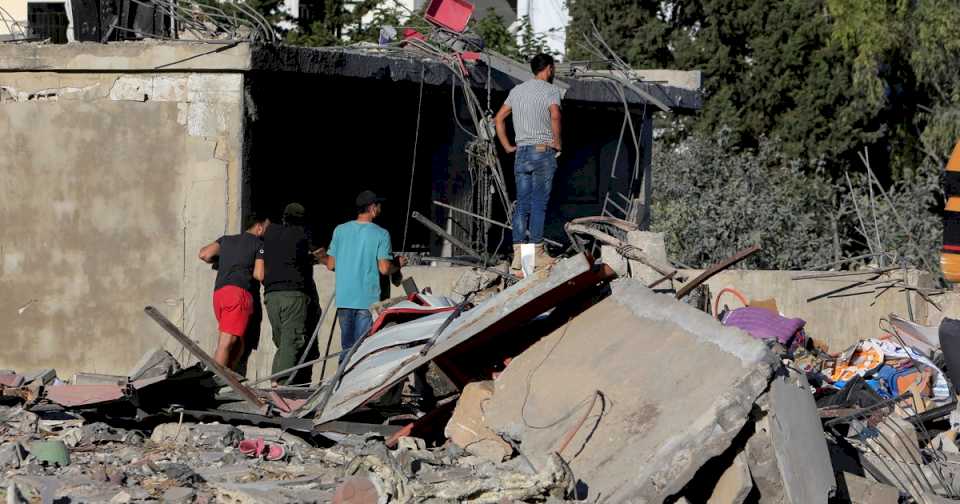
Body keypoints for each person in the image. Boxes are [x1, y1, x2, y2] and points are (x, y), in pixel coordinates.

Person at [495, 52, 563, 275]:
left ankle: (519, 257)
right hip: (542, 151)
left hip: (521, 153)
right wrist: (558, 143)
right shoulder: (551, 91)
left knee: (522, 205)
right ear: (549, 69)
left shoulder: (517, 91)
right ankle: (538, 253)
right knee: (538, 204)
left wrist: (506, 146)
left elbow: (498, 118)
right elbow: (555, 115)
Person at [322, 191, 406, 363]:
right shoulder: (381, 234)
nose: (380, 209)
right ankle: (357, 387)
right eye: (379, 206)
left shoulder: (340, 230)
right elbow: (384, 268)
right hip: (367, 301)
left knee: (347, 349)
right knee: (363, 351)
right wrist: (398, 264)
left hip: (344, 299)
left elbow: (330, 264)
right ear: (372, 208)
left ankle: (340, 386)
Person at [198, 213, 269, 370]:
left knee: (238, 342)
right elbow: (259, 274)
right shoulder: (259, 244)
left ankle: (227, 378)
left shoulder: (226, 240)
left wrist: (222, 261)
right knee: (227, 342)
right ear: (259, 227)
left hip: (220, 294)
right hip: (239, 294)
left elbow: (204, 254)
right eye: (266, 228)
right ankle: (214, 381)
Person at [261, 203, 320, 385]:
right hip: (293, 295)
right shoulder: (300, 235)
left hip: (271, 296)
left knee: (284, 343)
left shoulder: (269, 235)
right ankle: (282, 388)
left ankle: (275, 384)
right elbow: (307, 256)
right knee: (292, 341)